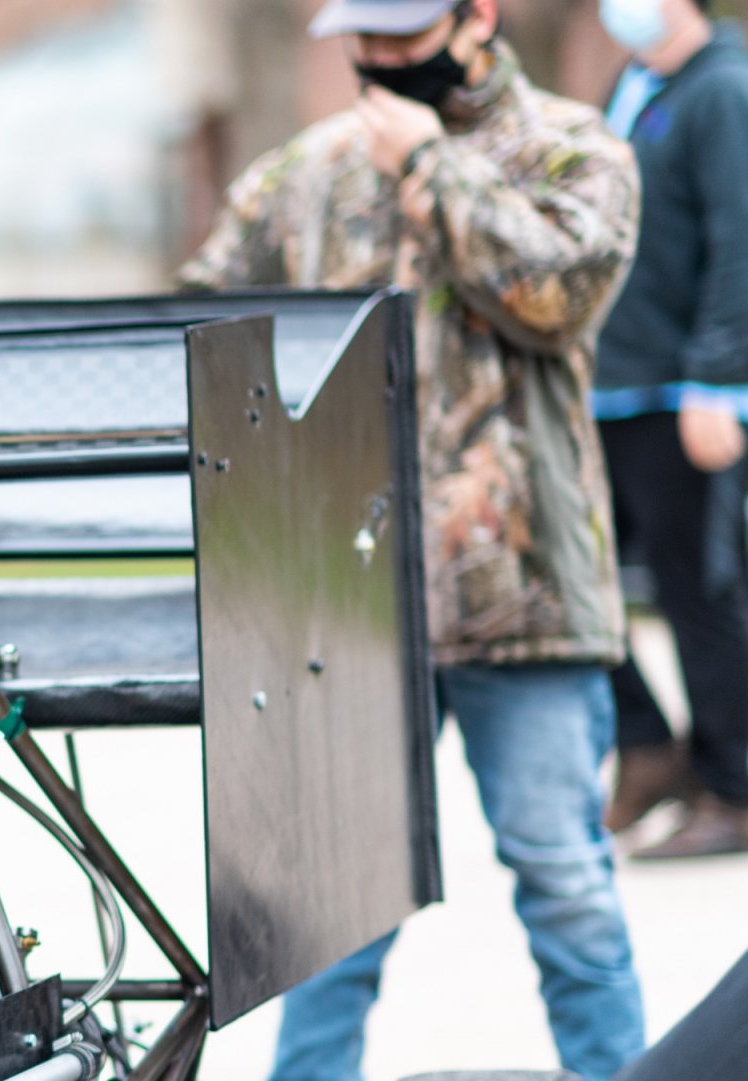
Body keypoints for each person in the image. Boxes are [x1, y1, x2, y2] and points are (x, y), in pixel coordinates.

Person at [179, 1, 647, 1077]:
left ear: (476, 15)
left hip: (519, 600)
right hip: (344, 608)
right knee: (333, 904)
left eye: (406, 33)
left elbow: (561, 297)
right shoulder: (310, 170)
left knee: (563, 878)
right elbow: (202, 317)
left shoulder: (573, 147)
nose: (383, 60)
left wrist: (435, 167)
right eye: (366, 38)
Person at [591, 0, 748, 859]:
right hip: (613, 387)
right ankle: (649, 745)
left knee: (700, 591)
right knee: (565, 573)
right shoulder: (640, 82)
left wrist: (718, 380)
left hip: (681, 393)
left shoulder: (721, 90)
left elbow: (741, 240)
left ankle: (735, 786)